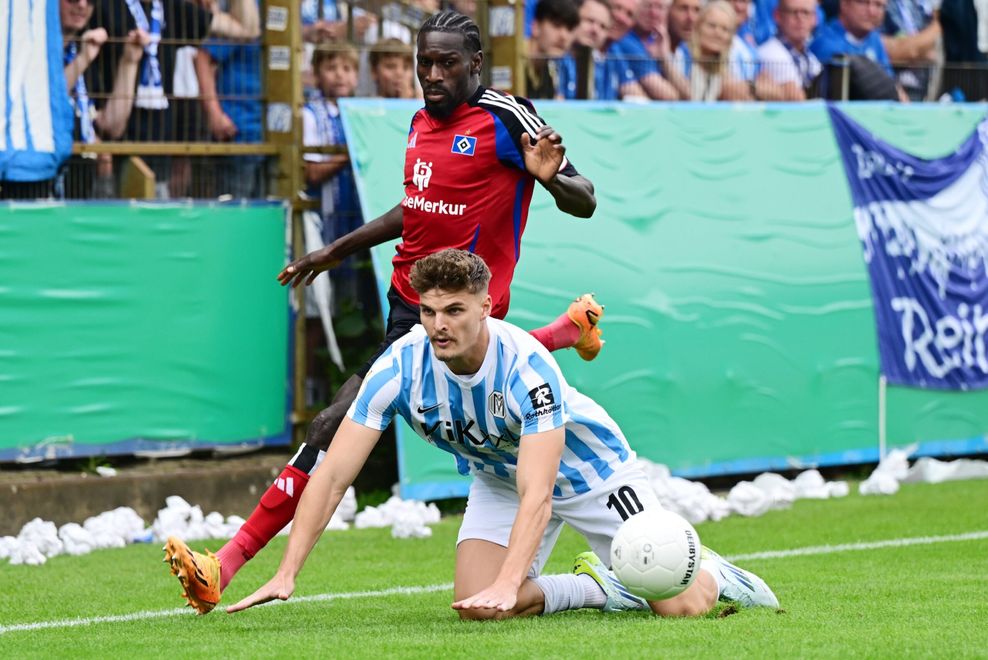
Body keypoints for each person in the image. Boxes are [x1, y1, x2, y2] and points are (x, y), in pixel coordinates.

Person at [164, 10, 603, 615]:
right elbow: (418, 207)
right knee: (375, 412)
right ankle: (561, 332)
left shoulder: (507, 117)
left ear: (476, 64)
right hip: (410, 302)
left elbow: (585, 199)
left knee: (332, 423)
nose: (432, 74)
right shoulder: (421, 122)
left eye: (447, 63)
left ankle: (227, 563)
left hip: (462, 304)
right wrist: (334, 249)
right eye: (425, 62)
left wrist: (550, 181)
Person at [215, 249, 780, 619]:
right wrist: (287, 573)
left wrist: (514, 580)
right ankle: (599, 587)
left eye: (455, 310)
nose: (440, 324)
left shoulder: (526, 366)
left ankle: (709, 568)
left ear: (487, 306)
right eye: (430, 311)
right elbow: (334, 475)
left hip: (587, 473)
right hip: (500, 478)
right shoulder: (398, 368)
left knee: (679, 608)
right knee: (477, 607)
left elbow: (541, 491)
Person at [195, 0, 265, 199]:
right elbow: (203, 57)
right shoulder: (248, 10)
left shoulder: (284, 12)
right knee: (236, 212)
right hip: (238, 130)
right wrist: (215, 114)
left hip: (272, 132)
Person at [670, 0, 754, 100]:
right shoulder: (680, 56)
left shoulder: (726, 66)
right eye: (712, 26)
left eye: (725, 29)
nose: (718, 33)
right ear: (698, 26)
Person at [756, 0, 822, 100]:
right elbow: (797, 99)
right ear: (777, 15)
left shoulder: (812, 59)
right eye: (793, 12)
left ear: (815, 19)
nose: (800, 18)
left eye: (805, 12)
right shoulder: (770, 53)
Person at [526, 0, 581, 99]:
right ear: (536, 27)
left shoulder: (551, 69)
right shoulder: (512, 62)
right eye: (556, 25)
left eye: (569, 29)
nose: (564, 36)